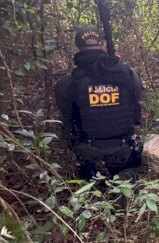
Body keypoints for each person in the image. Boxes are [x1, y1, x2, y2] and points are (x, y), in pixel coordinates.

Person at [55, 26, 143, 180]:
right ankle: (125, 178)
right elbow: (137, 99)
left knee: (88, 170)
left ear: (77, 49)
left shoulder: (69, 83)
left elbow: (67, 116)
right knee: (129, 166)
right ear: (102, 46)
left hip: (88, 149)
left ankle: (92, 183)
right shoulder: (127, 73)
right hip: (123, 147)